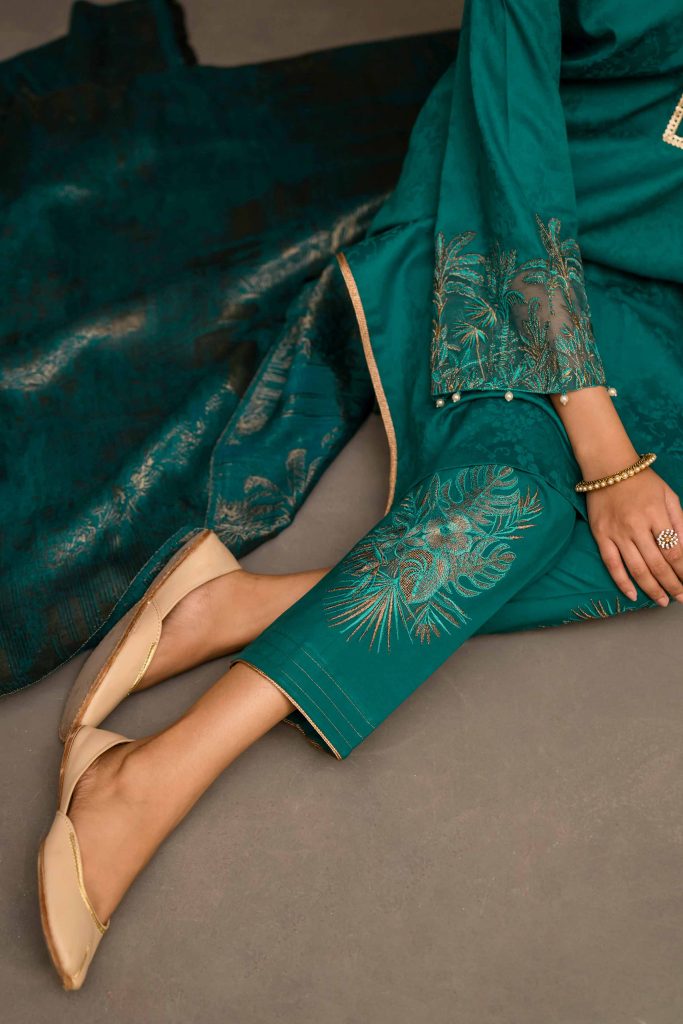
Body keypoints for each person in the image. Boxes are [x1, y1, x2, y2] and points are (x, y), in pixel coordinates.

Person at [37, 0, 683, 989]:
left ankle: (241, 606)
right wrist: (607, 457)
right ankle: (146, 773)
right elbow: (510, 153)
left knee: (660, 545)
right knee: (511, 501)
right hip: (500, 228)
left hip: (661, 290)